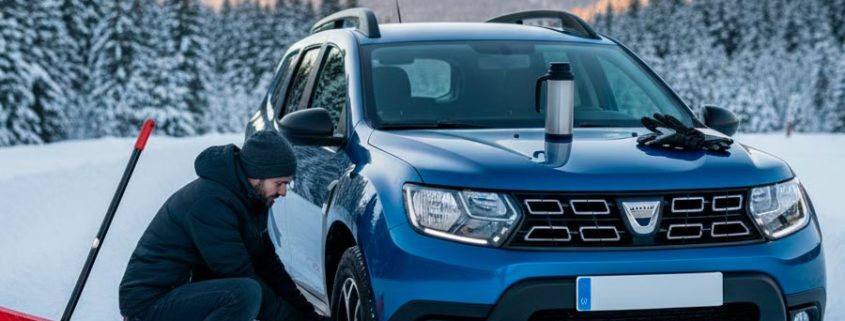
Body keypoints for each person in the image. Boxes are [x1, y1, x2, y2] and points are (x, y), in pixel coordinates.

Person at [119, 130, 324, 321]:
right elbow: (238, 272)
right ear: (256, 175)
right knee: (243, 294)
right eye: (279, 183)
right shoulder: (211, 203)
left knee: (248, 290)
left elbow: (268, 266)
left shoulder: (251, 199)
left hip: (182, 291)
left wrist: (308, 316)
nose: (283, 192)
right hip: (149, 304)